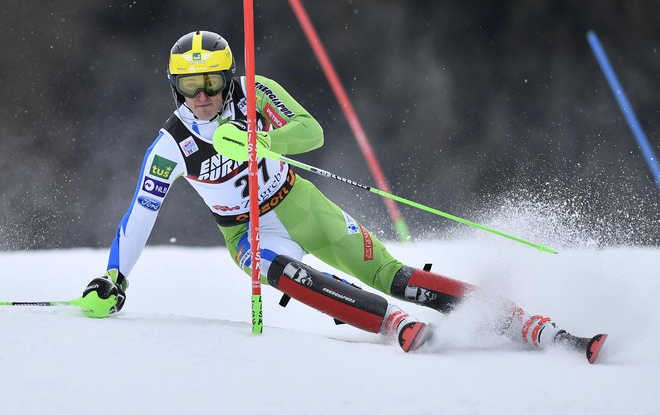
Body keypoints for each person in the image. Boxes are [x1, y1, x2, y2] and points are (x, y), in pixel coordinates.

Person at [79, 30, 606, 361]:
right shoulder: (169, 147)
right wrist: (115, 278)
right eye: (190, 87)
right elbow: (139, 216)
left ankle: (528, 324)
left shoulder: (254, 92)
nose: (204, 98)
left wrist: (263, 141)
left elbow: (312, 133)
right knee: (284, 272)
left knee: (393, 274)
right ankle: (390, 323)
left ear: (228, 76)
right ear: (176, 89)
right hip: (246, 231)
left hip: (295, 201)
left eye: (213, 83)